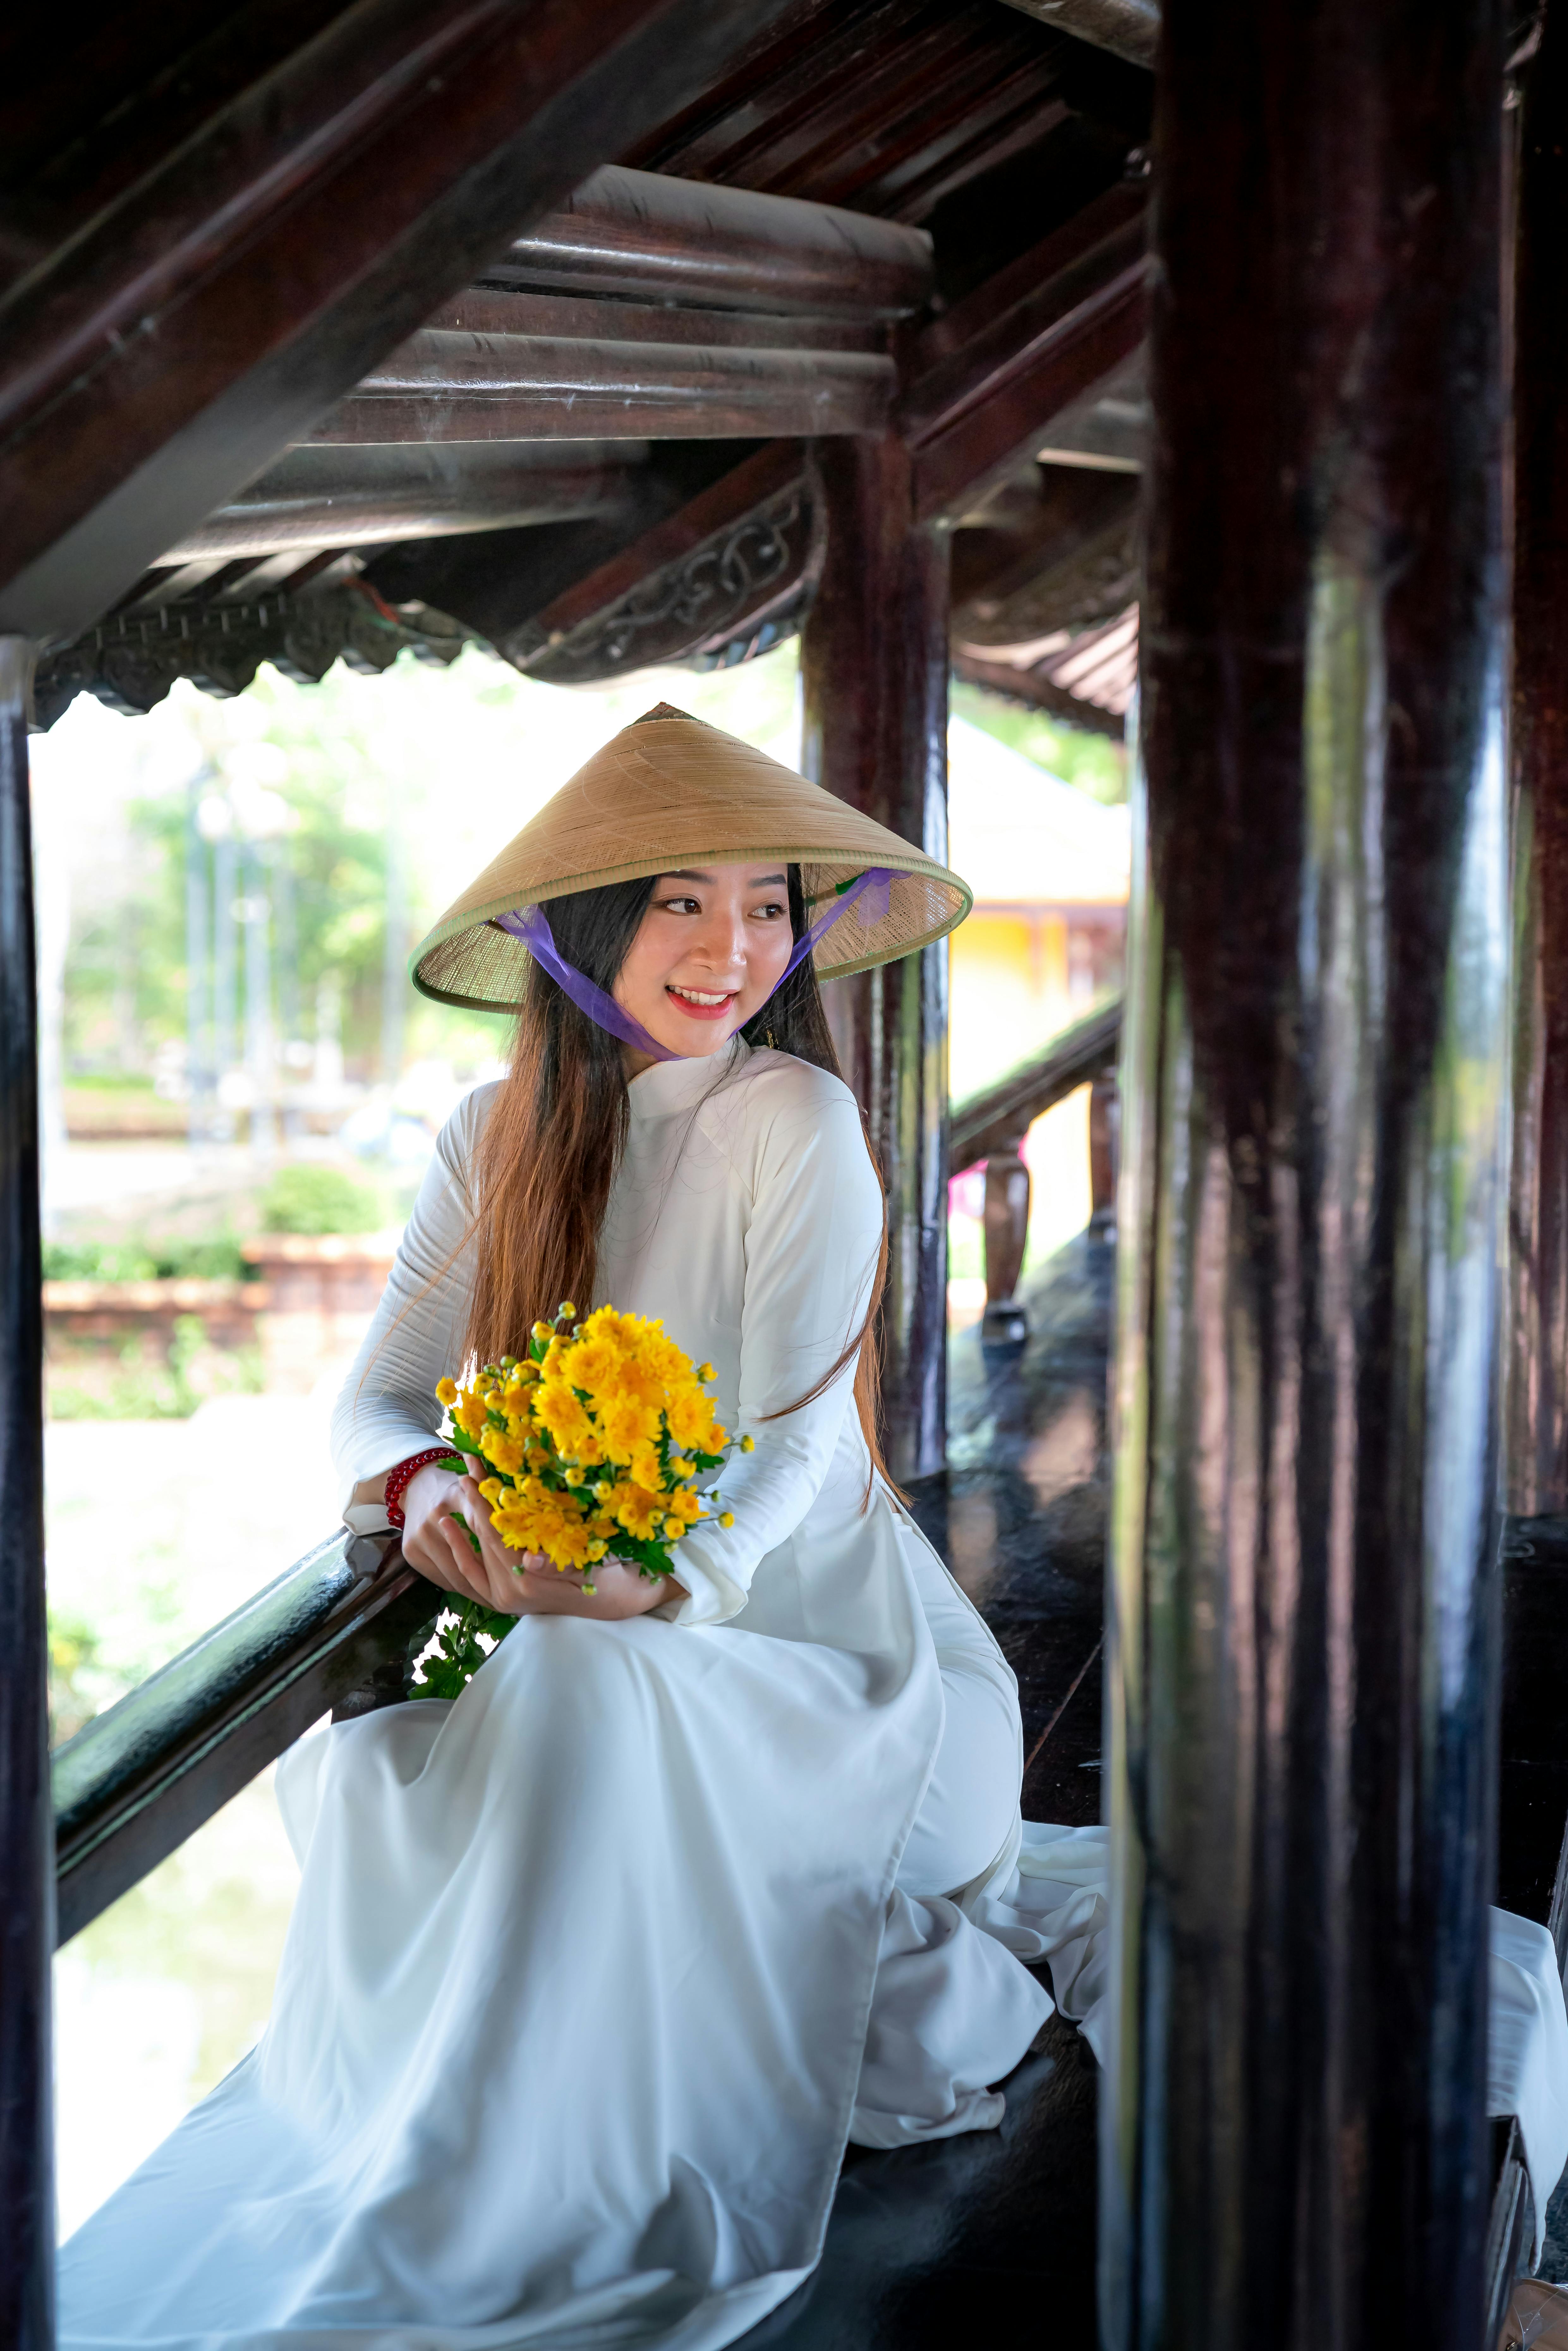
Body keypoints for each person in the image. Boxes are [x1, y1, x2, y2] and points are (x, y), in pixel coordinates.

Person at [52, 707, 1116, 2350]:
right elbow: (376, 1398)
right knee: (374, 1736)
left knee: (565, 1694)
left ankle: (529, 2166)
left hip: (832, 1658)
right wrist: (438, 1494)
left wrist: (660, 1581)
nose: (734, 945)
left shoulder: (794, 1121)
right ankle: (460, 2128)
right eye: (683, 901)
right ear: (588, 927)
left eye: (766, 903)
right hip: (557, 1590)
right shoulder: (491, 1139)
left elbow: (795, 1446)